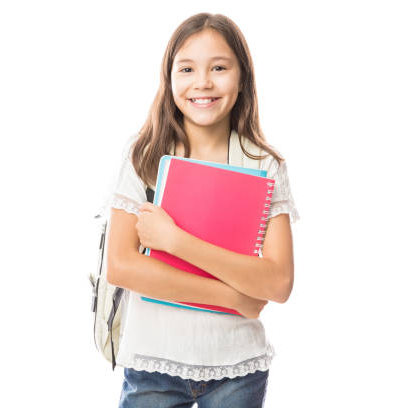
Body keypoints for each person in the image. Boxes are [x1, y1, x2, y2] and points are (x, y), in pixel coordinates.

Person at [104, 12, 300, 408]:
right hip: (152, 363)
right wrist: (234, 296)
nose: (203, 83)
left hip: (237, 367)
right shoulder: (144, 155)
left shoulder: (263, 162)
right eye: (188, 68)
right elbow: (122, 267)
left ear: (242, 77)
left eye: (219, 68)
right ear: (169, 78)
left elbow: (278, 282)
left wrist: (174, 240)